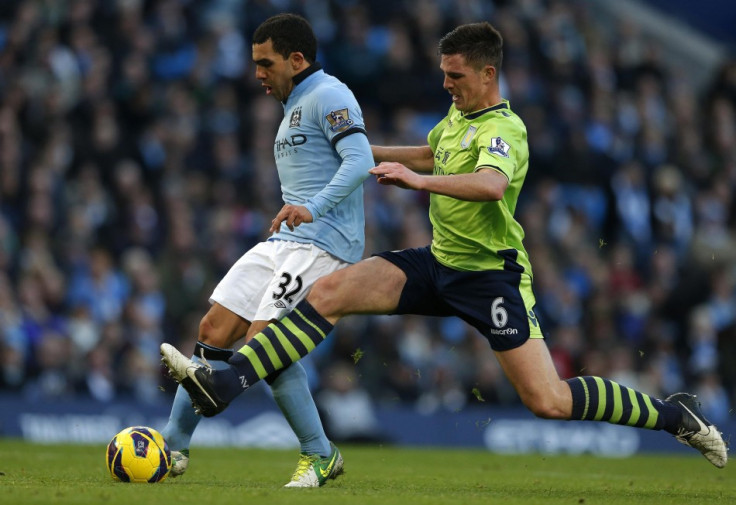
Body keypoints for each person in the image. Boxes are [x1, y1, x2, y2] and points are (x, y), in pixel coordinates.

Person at [161, 22, 728, 470]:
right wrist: (357, 144)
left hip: (490, 278)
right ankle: (228, 382)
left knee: (547, 400)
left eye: (455, 76)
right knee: (330, 290)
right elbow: (431, 153)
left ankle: (671, 413)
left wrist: (417, 183)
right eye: (443, 74)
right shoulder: (456, 119)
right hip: (437, 263)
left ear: (487, 73)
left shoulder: (505, 130)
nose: (446, 85)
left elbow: (491, 185)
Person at [159, 13, 374, 487]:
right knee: (214, 327)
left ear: (297, 60)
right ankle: (172, 446)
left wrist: (313, 207)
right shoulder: (293, 102)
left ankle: (320, 452)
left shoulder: (329, 95)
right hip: (285, 241)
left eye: (266, 63)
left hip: (323, 244)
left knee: (264, 343)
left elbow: (361, 160)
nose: (257, 73)